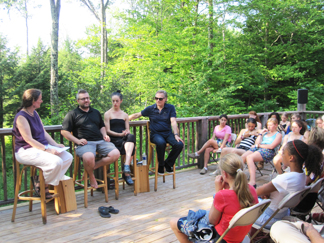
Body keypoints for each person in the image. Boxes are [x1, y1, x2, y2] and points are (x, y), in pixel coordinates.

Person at [170, 154, 258, 243]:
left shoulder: (222, 195)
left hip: (220, 239)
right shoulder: (251, 189)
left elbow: (212, 221)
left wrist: (218, 192)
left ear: (224, 173)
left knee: (173, 222)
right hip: (239, 236)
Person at [12, 89, 73, 199]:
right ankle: (41, 185)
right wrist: (47, 150)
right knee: (56, 162)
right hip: (26, 150)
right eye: (40, 99)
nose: (42, 101)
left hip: (40, 147)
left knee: (68, 157)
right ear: (33, 101)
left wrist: (55, 145)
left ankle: (41, 183)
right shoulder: (21, 117)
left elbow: (43, 132)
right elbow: (29, 140)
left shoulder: (34, 113)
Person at [254, 140, 322, 229]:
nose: (281, 155)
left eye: (283, 152)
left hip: (268, 218)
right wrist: (268, 192)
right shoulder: (302, 176)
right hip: (282, 213)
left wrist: (265, 192)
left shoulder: (285, 179)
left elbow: (256, 192)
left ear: (291, 158)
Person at [61, 89, 120, 189]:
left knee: (115, 154)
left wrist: (105, 135)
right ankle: (91, 176)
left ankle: (90, 169)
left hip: (100, 141)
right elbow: (64, 132)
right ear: (78, 101)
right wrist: (77, 141)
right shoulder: (72, 114)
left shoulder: (95, 112)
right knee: (88, 157)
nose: (86, 100)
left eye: (87, 98)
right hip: (85, 143)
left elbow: (101, 126)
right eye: (83, 99)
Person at [129, 90, 183, 175]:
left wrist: (176, 134)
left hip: (168, 134)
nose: (158, 100)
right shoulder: (151, 109)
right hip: (155, 134)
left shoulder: (170, 108)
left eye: (160, 99)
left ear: (165, 99)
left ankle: (168, 164)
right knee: (161, 143)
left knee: (179, 144)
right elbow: (137, 115)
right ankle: (161, 165)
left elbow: (173, 121)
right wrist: (124, 119)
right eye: (156, 98)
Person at [104, 90, 136, 185]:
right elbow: (107, 130)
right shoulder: (107, 114)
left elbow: (128, 129)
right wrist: (119, 134)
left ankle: (126, 165)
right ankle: (126, 173)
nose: (115, 103)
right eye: (113, 101)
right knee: (133, 146)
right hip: (112, 139)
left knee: (131, 136)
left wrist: (126, 132)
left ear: (121, 101)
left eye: (117, 101)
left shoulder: (125, 115)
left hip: (123, 139)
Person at [241, 118, 282, 187]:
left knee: (249, 157)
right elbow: (257, 143)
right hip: (258, 148)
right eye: (268, 125)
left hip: (268, 151)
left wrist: (259, 145)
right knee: (243, 157)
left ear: (276, 125)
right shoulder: (265, 133)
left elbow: (272, 146)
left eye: (271, 125)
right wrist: (260, 134)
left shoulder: (278, 135)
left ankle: (252, 182)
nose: (269, 127)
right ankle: (238, 177)